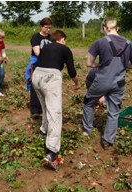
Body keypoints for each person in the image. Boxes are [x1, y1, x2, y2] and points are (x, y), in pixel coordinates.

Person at [32, 30, 80, 170]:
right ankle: (52, 153)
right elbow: (71, 71)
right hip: (50, 78)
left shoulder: (45, 46)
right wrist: (77, 84)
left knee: (45, 107)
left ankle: (43, 131)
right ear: (62, 39)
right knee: (55, 113)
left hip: (37, 76)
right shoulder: (65, 48)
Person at [82, 18, 132, 149]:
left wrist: (97, 65)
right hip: (119, 83)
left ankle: (87, 130)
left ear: (104, 28)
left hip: (102, 81)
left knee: (88, 102)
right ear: (117, 28)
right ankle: (108, 141)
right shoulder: (128, 43)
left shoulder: (99, 42)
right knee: (114, 112)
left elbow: (88, 63)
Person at [25, 17, 53, 119]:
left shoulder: (51, 37)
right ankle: (35, 110)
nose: (48, 29)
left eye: (50, 27)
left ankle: (45, 107)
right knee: (33, 82)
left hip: (48, 61)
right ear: (41, 26)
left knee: (47, 85)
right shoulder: (36, 37)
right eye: (46, 27)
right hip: (36, 60)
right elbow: (37, 52)